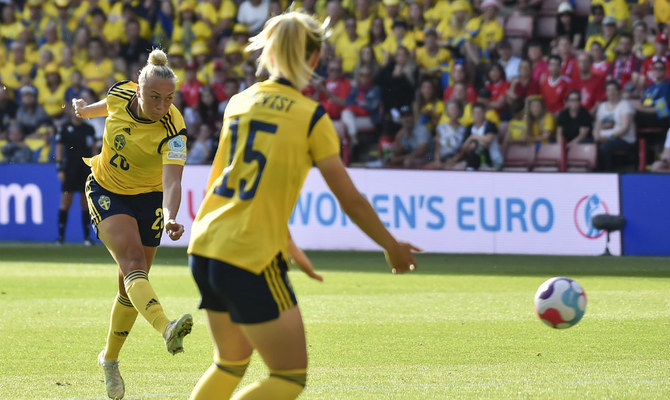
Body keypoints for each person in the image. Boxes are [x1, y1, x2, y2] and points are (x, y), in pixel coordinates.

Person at [186, 12, 420, 400]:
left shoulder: (239, 103)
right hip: (249, 255)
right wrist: (391, 245)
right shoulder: (310, 117)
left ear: (270, 52)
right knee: (289, 376)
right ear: (315, 58)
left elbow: (222, 183)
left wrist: (288, 244)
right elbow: (351, 200)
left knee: (230, 362)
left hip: (205, 246)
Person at [71, 49, 193, 400]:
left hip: (150, 199)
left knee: (130, 287)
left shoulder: (174, 130)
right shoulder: (120, 94)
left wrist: (171, 216)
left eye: (169, 98)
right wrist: (84, 110)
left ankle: (109, 360)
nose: (162, 105)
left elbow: (172, 181)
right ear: (138, 91)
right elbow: (104, 107)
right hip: (106, 189)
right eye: (154, 97)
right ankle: (166, 327)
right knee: (133, 263)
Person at [55, 104, 97, 245]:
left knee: (86, 202)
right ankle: (61, 237)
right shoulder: (64, 128)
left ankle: (87, 238)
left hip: (85, 169)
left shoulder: (89, 129)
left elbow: (93, 150)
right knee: (66, 201)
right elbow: (59, 149)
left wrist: (95, 167)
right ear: (70, 112)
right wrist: (60, 168)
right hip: (70, 169)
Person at [593, 80, 636, 171]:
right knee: (586, 143)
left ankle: (606, 173)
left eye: (614, 90)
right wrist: (596, 136)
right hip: (603, 138)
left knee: (604, 148)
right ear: (606, 92)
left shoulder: (625, 105)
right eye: (608, 90)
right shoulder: (602, 106)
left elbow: (625, 127)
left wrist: (609, 137)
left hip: (623, 139)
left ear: (618, 91)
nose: (611, 92)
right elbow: (597, 126)